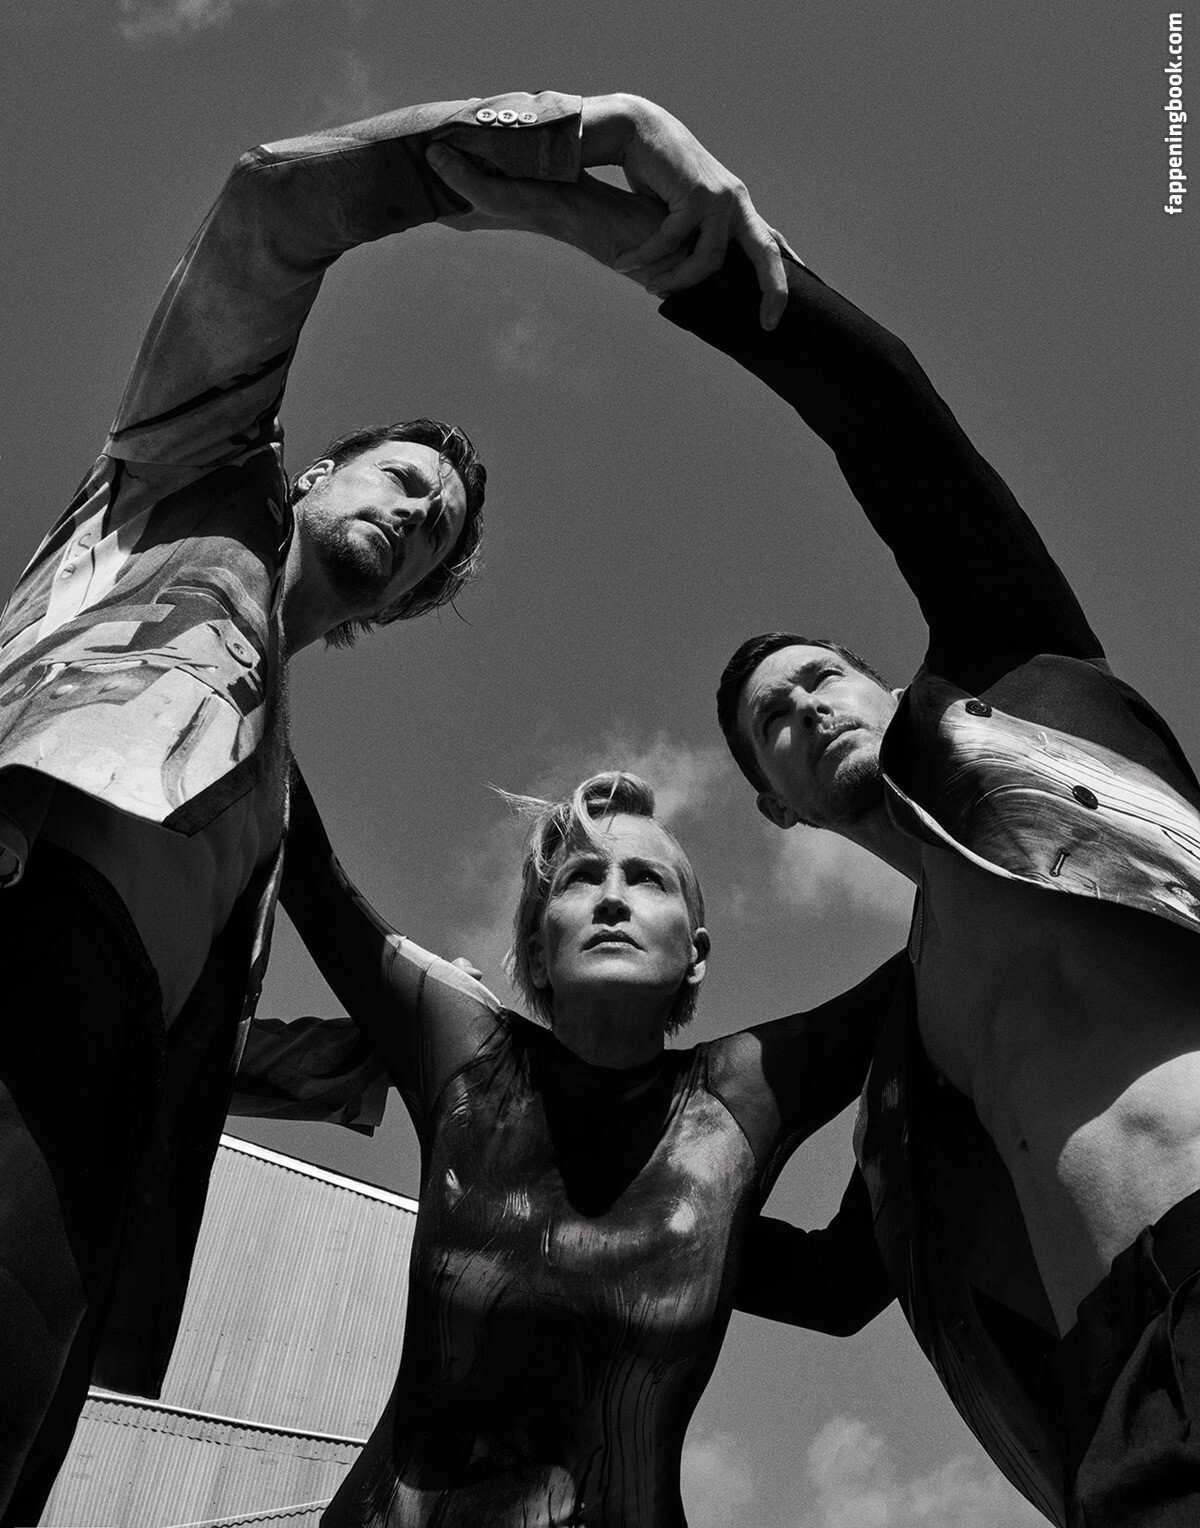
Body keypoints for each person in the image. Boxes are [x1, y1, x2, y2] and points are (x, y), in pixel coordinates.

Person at [0, 92, 789, 1522]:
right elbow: (267, 205)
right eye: (409, 483)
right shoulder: (184, 477)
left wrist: (426, 1059)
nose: (421, 516)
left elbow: (197, 1035)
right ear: (315, 471)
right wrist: (578, 136)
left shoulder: (259, 809)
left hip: (87, 1150)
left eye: (438, 539)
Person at [644, 231, 1200, 1522]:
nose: (806, 707)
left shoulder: (1041, 691)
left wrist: (689, 258)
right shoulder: (901, 1055)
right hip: (1120, 1413)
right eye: (773, 722)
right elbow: (836, 1284)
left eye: (821, 677)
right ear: (777, 806)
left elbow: (887, 415)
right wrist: (582, 1207)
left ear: (891, 686)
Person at [280, 768, 899, 1526]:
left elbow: (950, 958)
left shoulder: (733, 1104)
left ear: (695, 954)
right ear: (538, 952)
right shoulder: (469, 1059)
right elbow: (308, 875)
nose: (612, 898)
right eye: (581, 878)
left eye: (647, 879)